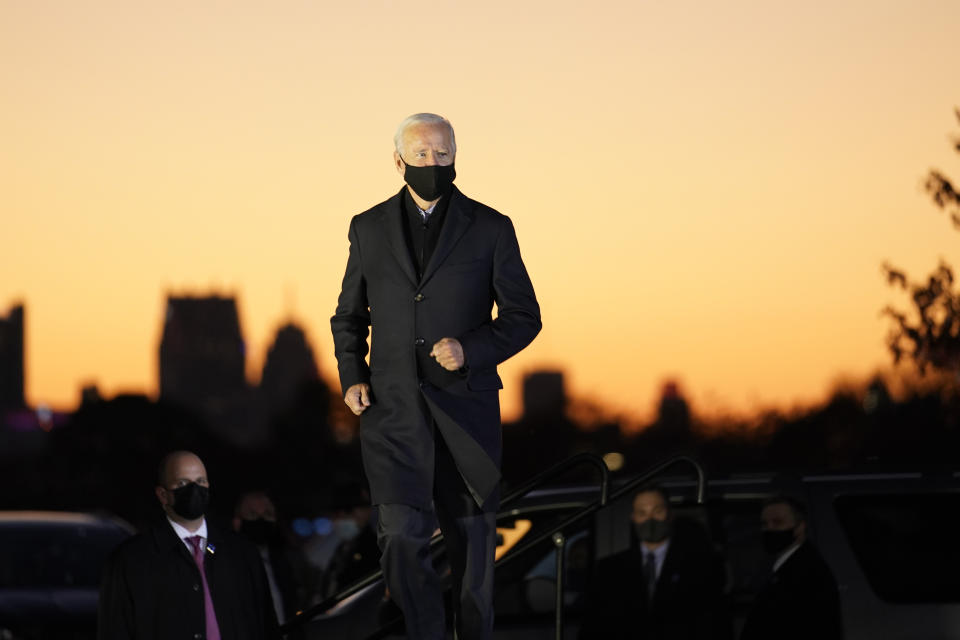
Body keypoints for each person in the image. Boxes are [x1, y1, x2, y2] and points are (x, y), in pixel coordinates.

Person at [330, 112, 541, 640]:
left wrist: (470, 348)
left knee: (474, 560)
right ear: (398, 160)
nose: (433, 163)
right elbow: (349, 315)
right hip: (393, 417)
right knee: (400, 540)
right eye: (422, 154)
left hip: (465, 416)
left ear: (456, 156)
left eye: (442, 154)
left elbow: (524, 317)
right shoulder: (367, 226)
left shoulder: (492, 227)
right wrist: (352, 373)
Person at [97, 451, 279, 640]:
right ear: (162, 494)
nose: (194, 490)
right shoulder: (131, 560)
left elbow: (265, 624)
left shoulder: (242, 553)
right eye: (182, 483)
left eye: (200, 481)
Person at [579, 486, 731, 640]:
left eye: (657, 511)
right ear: (633, 517)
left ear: (669, 514)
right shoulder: (610, 569)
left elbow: (715, 623)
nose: (650, 519)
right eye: (642, 513)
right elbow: (594, 625)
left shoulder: (701, 566)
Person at [740, 496, 843, 640]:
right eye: (764, 524)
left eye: (778, 523)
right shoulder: (788, 566)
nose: (769, 529)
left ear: (799, 528)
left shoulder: (807, 573)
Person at [233, 490, 303, 624]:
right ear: (237, 522)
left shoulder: (289, 562)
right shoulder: (225, 566)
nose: (261, 520)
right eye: (252, 515)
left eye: (267, 514)